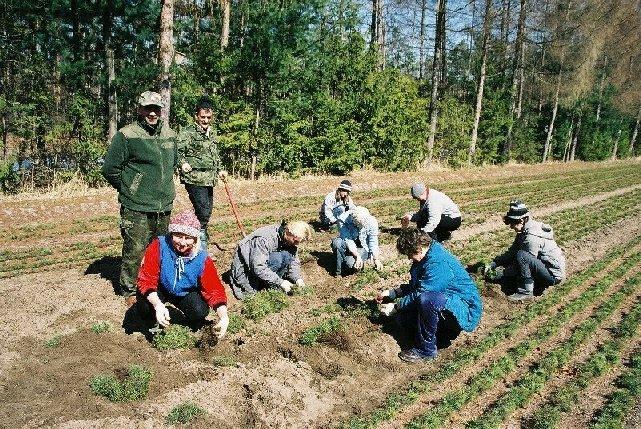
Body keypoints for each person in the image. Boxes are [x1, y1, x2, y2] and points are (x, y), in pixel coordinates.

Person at [102, 91, 178, 306]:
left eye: (156, 108)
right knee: (135, 248)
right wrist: (131, 188)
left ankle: (155, 284)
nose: (152, 113)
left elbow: (173, 163)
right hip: (136, 205)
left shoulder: (169, 134)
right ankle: (130, 290)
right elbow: (110, 169)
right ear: (139, 109)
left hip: (164, 204)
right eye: (148, 108)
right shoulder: (126, 135)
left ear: (161, 110)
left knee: (161, 248)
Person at [377, 228, 482, 363]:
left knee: (427, 300)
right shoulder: (426, 257)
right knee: (403, 321)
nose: (409, 257)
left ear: (419, 248)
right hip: (445, 302)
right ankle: (442, 335)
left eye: (409, 254)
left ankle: (426, 350)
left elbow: (422, 292)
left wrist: (397, 306)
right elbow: (420, 285)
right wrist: (394, 293)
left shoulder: (437, 263)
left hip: (462, 308)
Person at [134, 210, 229, 337]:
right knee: (145, 304)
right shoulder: (159, 245)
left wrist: (224, 317)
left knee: (199, 311)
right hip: (160, 287)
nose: (183, 243)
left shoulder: (202, 258)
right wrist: (157, 305)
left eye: (188, 238)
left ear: (195, 239)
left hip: (184, 293)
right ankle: (152, 323)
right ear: (171, 233)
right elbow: (146, 278)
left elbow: (214, 289)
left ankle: (191, 323)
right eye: (178, 236)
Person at [485, 200, 565, 301]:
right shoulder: (524, 230)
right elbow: (512, 251)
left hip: (553, 276)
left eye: (512, 223)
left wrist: (502, 273)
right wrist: (494, 263)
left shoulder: (531, 237)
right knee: (518, 255)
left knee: (522, 256)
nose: (511, 226)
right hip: (545, 267)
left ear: (522, 220)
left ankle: (526, 291)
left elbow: (524, 262)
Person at [177, 97, 227, 249]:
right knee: (204, 212)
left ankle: (191, 235)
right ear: (196, 116)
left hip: (209, 179)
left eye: (208, 117)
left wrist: (220, 170)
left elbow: (214, 155)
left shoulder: (212, 133)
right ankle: (200, 244)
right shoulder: (188, 132)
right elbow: (177, 151)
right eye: (203, 117)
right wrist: (182, 163)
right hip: (194, 178)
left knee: (206, 211)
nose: (205, 120)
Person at [229, 220, 312, 300]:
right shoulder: (265, 239)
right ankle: (266, 282)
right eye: (296, 241)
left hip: (262, 268)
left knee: (287, 254)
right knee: (277, 259)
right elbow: (258, 267)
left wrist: (297, 279)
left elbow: (293, 261)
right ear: (289, 232)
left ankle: (269, 282)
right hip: (246, 270)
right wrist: (280, 282)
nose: (296, 244)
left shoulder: (288, 239)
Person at [331, 206, 383, 277]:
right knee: (337, 243)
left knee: (350, 264)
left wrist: (376, 259)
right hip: (348, 243)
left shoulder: (371, 221)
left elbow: (373, 241)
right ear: (353, 219)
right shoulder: (342, 220)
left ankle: (346, 262)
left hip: (362, 246)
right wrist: (357, 256)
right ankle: (339, 272)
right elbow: (348, 240)